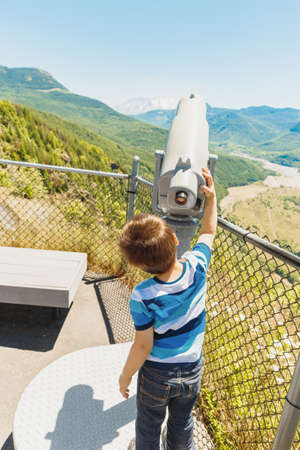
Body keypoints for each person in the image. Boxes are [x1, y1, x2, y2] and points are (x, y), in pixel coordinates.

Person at [119, 167, 217, 450]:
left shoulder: (143, 295)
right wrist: (210, 199)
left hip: (156, 374)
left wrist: (126, 375)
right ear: (175, 241)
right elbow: (208, 231)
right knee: (182, 420)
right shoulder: (197, 266)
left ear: (139, 265)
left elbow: (142, 346)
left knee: (149, 423)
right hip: (192, 368)